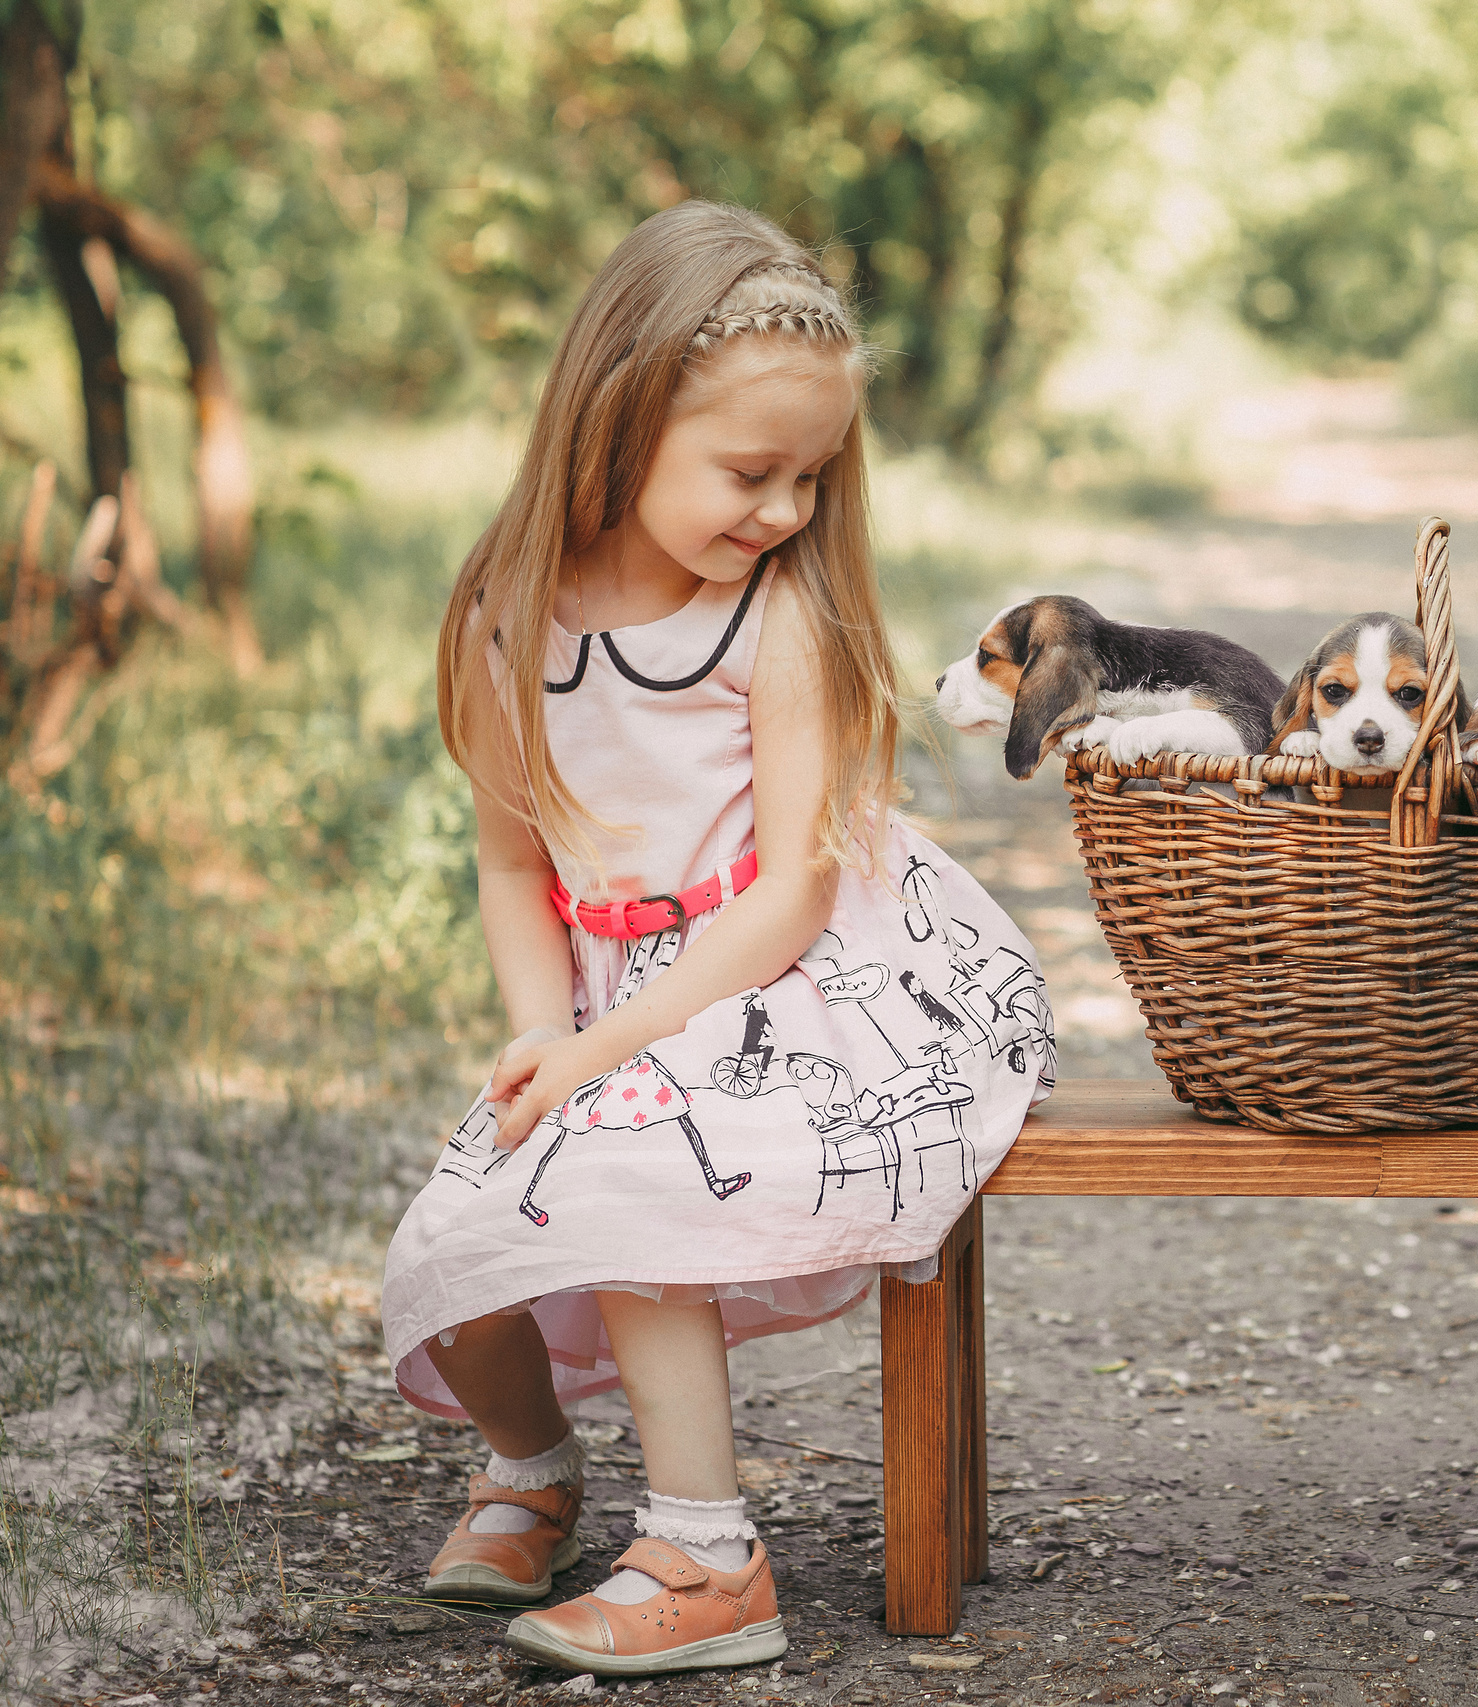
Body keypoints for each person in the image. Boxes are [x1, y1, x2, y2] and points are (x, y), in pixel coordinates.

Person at [380, 201, 1054, 1677]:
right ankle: (533, 1471)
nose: (788, 511)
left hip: (783, 979)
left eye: (812, 476)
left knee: (632, 1179)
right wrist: (548, 1033)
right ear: (620, 422)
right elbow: (511, 860)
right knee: (446, 1255)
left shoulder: (774, 621)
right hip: (601, 995)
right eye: (752, 473)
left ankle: (707, 1557)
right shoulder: (508, 618)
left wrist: (610, 1052)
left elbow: (792, 893)